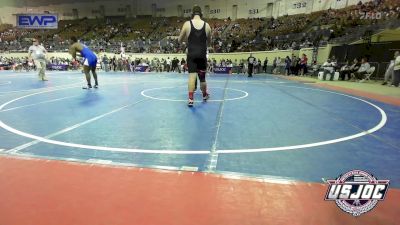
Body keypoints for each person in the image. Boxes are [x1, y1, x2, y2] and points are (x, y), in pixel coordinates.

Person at [178, 5, 211, 107]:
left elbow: (179, 40)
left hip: (191, 54)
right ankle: (204, 95)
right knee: (202, 78)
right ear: (201, 14)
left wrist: (188, 40)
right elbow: (209, 43)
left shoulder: (187, 24)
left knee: (192, 76)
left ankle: (191, 99)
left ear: (192, 13)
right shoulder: (207, 26)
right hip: (201, 54)